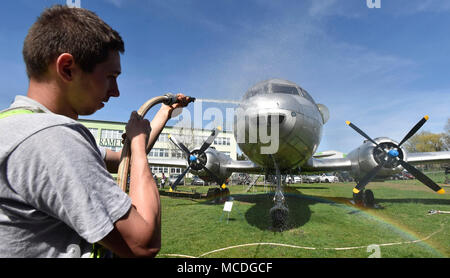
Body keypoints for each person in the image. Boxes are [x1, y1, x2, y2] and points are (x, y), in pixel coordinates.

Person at [0, 5, 192, 258]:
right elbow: (143, 243)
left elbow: (122, 162)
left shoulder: (19, 127)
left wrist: (164, 113)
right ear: (67, 68)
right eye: (111, 76)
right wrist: (136, 144)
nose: (116, 91)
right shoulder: (51, 138)